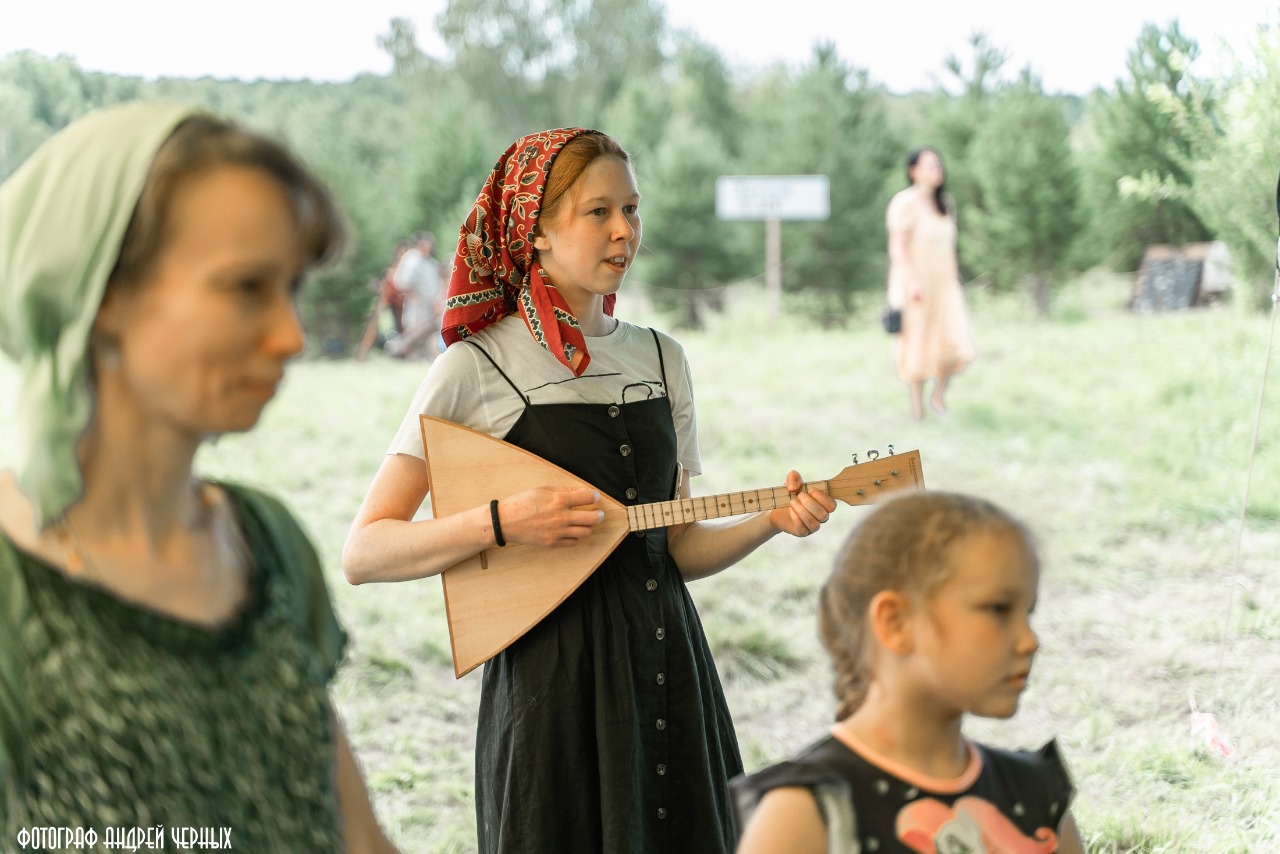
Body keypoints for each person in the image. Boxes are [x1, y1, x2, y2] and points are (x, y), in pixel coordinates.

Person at [341, 128, 837, 854]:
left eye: (632, 210)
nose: (623, 231)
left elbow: (676, 548)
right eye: (598, 212)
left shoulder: (663, 358)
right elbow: (364, 551)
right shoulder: (475, 368)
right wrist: (501, 521)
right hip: (550, 692)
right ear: (535, 232)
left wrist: (771, 520)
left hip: (668, 670)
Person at [0, 102, 397, 851]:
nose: (291, 336)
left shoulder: (267, 544)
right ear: (104, 295)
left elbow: (356, 836)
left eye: (292, 288)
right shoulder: (12, 590)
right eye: (246, 288)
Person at [731, 492, 1084, 854]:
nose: (1029, 641)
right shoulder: (807, 813)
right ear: (895, 622)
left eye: (1028, 612)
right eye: (998, 609)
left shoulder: (1036, 794)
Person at [885, 148, 975, 421]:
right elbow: (897, 248)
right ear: (914, 171)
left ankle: (937, 396)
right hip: (915, 285)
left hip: (945, 285)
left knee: (957, 344)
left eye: (938, 164)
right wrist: (912, 282)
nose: (937, 169)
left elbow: (949, 250)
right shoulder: (904, 203)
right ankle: (917, 412)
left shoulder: (944, 204)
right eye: (929, 165)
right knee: (917, 345)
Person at [384, 231, 442, 360]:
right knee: (413, 331)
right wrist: (412, 295)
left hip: (430, 303)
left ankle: (425, 357)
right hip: (416, 303)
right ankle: (410, 356)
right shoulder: (412, 259)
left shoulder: (430, 262)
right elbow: (402, 280)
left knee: (427, 332)